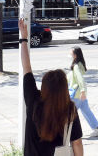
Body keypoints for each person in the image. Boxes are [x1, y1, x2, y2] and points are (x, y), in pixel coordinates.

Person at [19, 19, 84, 156]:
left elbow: (27, 68)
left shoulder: (34, 100)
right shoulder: (69, 109)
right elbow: (76, 142)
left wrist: (24, 39)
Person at [68, 46, 98, 137]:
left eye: (71, 52)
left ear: (75, 55)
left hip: (77, 94)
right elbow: (71, 76)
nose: (69, 53)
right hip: (80, 93)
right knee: (86, 110)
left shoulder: (76, 66)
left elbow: (80, 79)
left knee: (69, 114)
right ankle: (97, 128)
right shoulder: (79, 64)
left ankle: (68, 133)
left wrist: (82, 91)